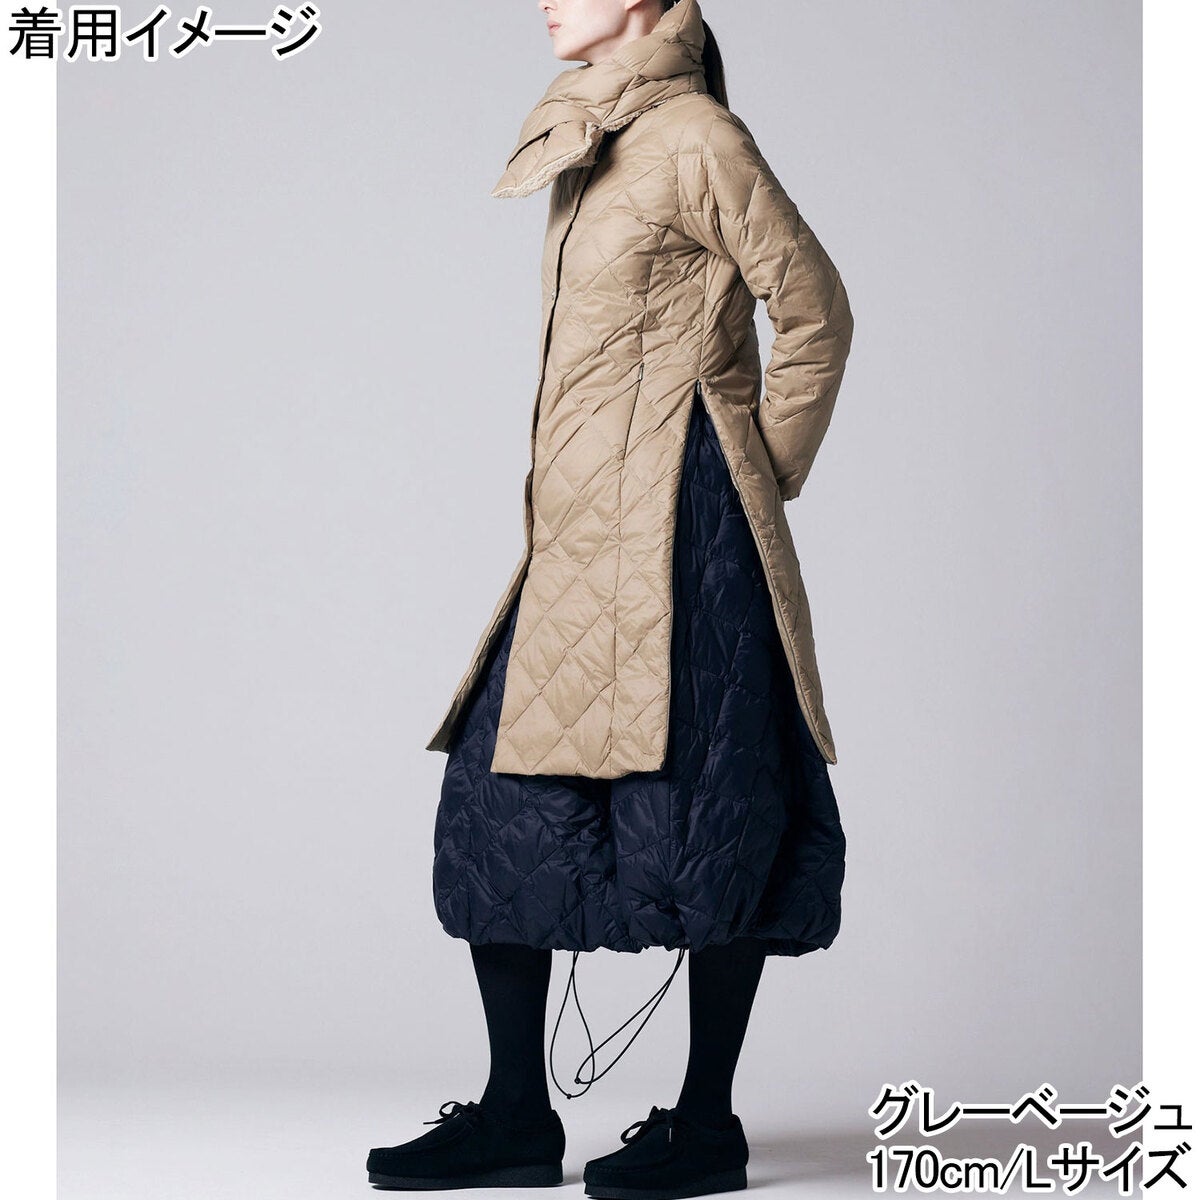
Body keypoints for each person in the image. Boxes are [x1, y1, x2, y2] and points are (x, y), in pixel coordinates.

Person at [367, 0, 855, 1194]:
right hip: (580, 528)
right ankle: (515, 1117)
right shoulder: (597, 131)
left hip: (685, 523)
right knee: (499, 808)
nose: (543, 0)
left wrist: (756, 469)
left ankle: (706, 1123)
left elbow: (814, 309)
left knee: (710, 799)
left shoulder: (697, 137)